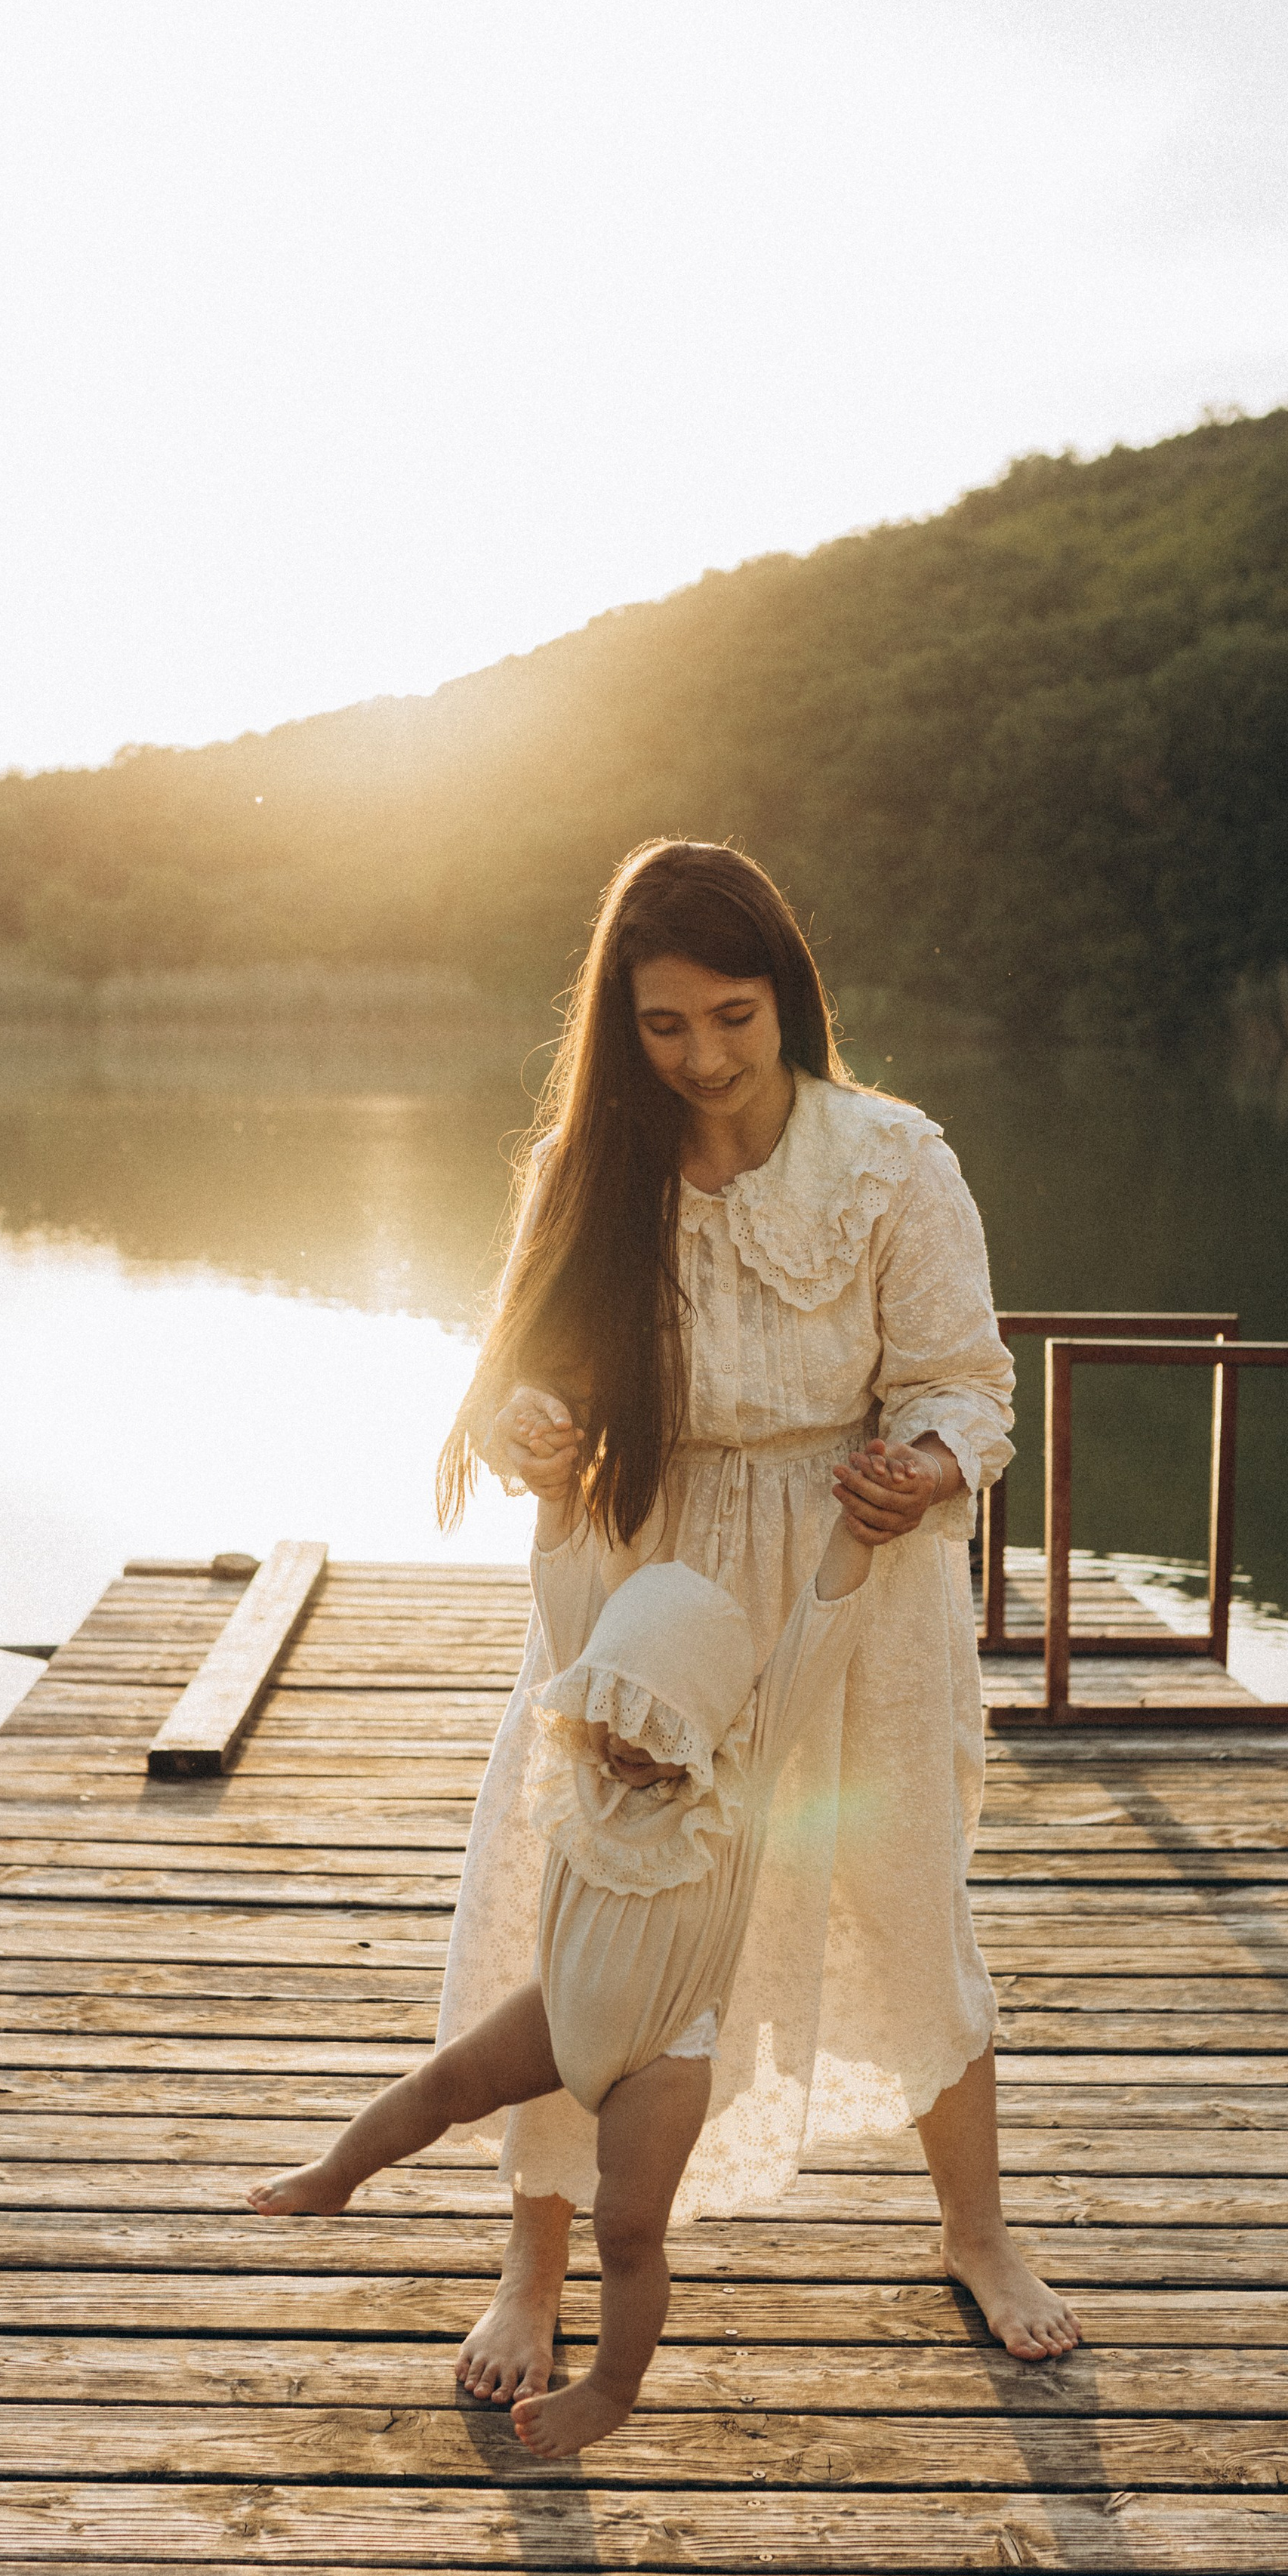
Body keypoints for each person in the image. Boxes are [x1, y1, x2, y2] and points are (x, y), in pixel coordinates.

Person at [436, 838, 1083, 2388]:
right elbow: (527, 1369)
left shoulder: (892, 1159)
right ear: (622, 1027)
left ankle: (976, 2230)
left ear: (783, 995)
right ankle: (531, 2267)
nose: (704, 1058)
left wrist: (918, 1463)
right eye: (664, 1027)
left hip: (847, 1578)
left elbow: (965, 1380)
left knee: (900, 1882)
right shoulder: (591, 1163)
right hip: (647, 1584)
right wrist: (528, 1416)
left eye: (732, 1016)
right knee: (569, 1897)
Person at [250, 1499, 877, 2457]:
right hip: (557, 2011)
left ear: (704, 1718)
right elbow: (565, 1587)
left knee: (628, 2230)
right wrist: (556, 1497)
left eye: (654, 1721)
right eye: (614, 1708)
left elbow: (816, 1630)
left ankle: (612, 2388)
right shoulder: (578, 1764)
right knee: (443, 2084)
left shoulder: (734, 1784)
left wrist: (857, 1537)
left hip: (664, 2051)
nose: (626, 1742)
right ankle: (339, 2171)